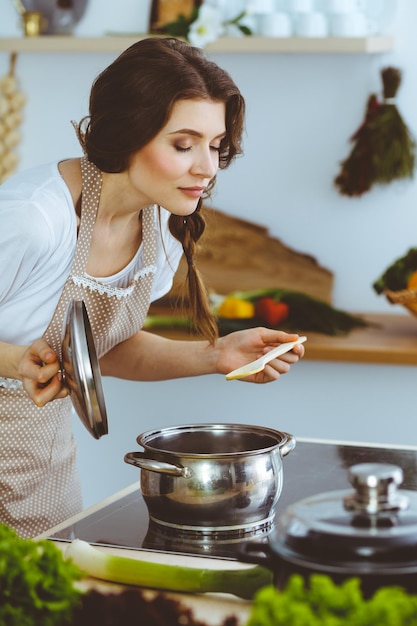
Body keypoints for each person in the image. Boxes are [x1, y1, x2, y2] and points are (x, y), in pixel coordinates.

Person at [0, 37, 304, 538]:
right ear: (126, 134)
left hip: (38, 466)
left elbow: (106, 350)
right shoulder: (32, 219)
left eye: (215, 146)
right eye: (184, 145)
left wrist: (215, 355)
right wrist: (14, 363)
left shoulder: (156, 224)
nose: (206, 168)